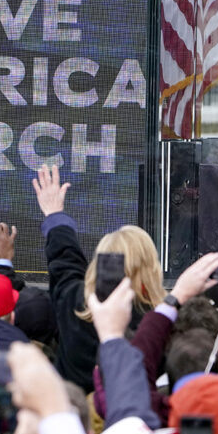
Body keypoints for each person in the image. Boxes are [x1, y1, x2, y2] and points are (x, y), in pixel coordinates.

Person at [32, 163, 166, 392]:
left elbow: (65, 261)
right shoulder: (158, 324)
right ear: (150, 268)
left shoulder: (74, 302)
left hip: (77, 419)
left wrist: (54, 214)